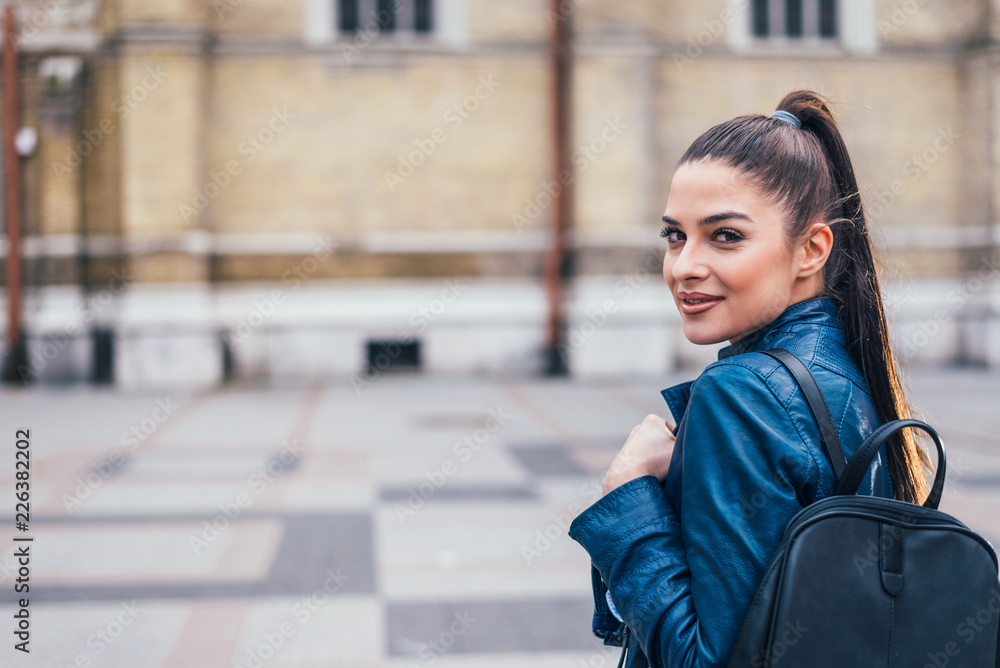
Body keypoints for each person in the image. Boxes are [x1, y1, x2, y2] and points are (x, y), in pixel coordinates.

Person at [567, 90, 935, 668]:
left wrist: (630, 492)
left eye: (725, 236)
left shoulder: (741, 395)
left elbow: (702, 661)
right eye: (674, 235)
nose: (685, 264)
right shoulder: (846, 364)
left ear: (811, 249)